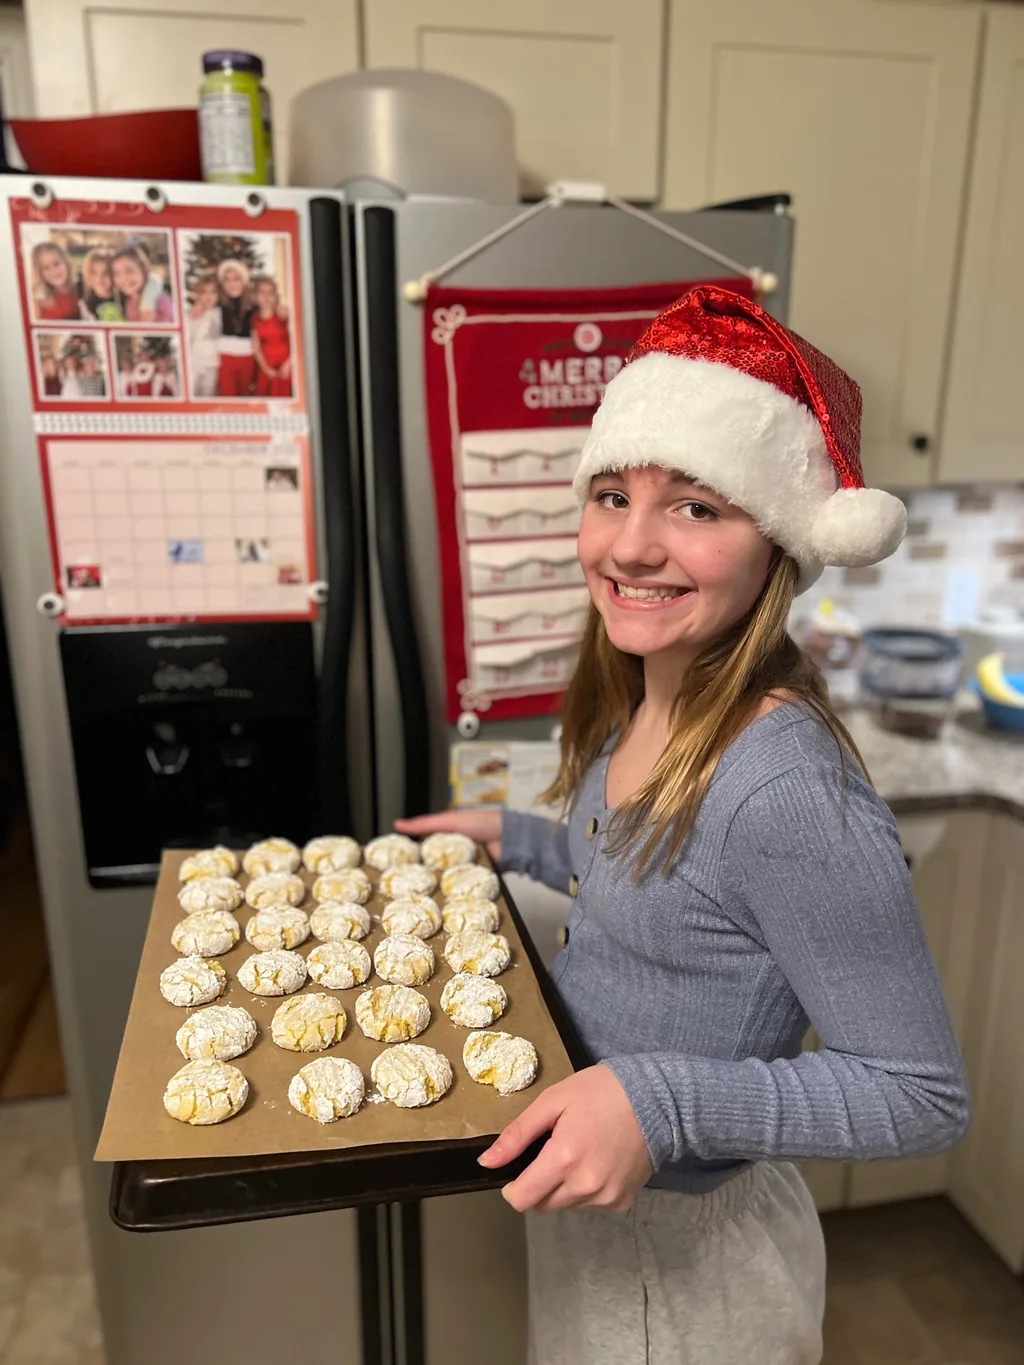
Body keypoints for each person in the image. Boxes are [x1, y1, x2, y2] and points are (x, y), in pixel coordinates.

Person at [397, 286, 969, 1365]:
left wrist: (655, 1101)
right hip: (606, 1218)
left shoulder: (785, 790)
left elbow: (918, 1093)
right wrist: (517, 840)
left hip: (696, 1280)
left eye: (697, 507)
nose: (631, 544)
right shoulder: (649, 694)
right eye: (611, 494)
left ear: (780, 548)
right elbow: (658, 893)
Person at [215, 259, 256, 397]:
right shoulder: (217, 303)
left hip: (247, 356)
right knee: (228, 396)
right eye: (227, 280)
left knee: (246, 397)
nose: (231, 284)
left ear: (244, 281)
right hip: (225, 356)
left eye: (236, 279)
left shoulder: (254, 304)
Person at [251, 274, 292, 397]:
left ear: (275, 296)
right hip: (268, 366)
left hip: (287, 365)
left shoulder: (283, 315)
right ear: (255, 296)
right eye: (262, 293)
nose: (266, 297)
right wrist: (266, 369)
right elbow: (256, 349)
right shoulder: (255, 319)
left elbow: (297, 341)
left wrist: (289, 363)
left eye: (270, 293)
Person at [111, 245, 173, 323]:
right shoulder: (129, 301)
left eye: (129, 271)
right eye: (117, 273)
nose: (123, 279)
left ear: (143, 271)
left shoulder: (161, 301)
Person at [187, 272, 222, 398]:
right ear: (197, 295)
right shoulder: (191, 314)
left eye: (212, 292)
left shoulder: (219, 313)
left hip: (213, 365)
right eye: (204, 292)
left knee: (208, 397)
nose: (208, 296)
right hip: (194, 364)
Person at [30, 241, 79, 321]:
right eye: (46, 268)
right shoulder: (38, 300)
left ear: (66, 262)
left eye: (57, 264)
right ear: (39, 272)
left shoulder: (79, 289)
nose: (54, 272)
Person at [78, 249, 123, 322]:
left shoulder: (123, 298)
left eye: (105, 273)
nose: (99, 279)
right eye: (93, 273)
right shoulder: (84, 303)